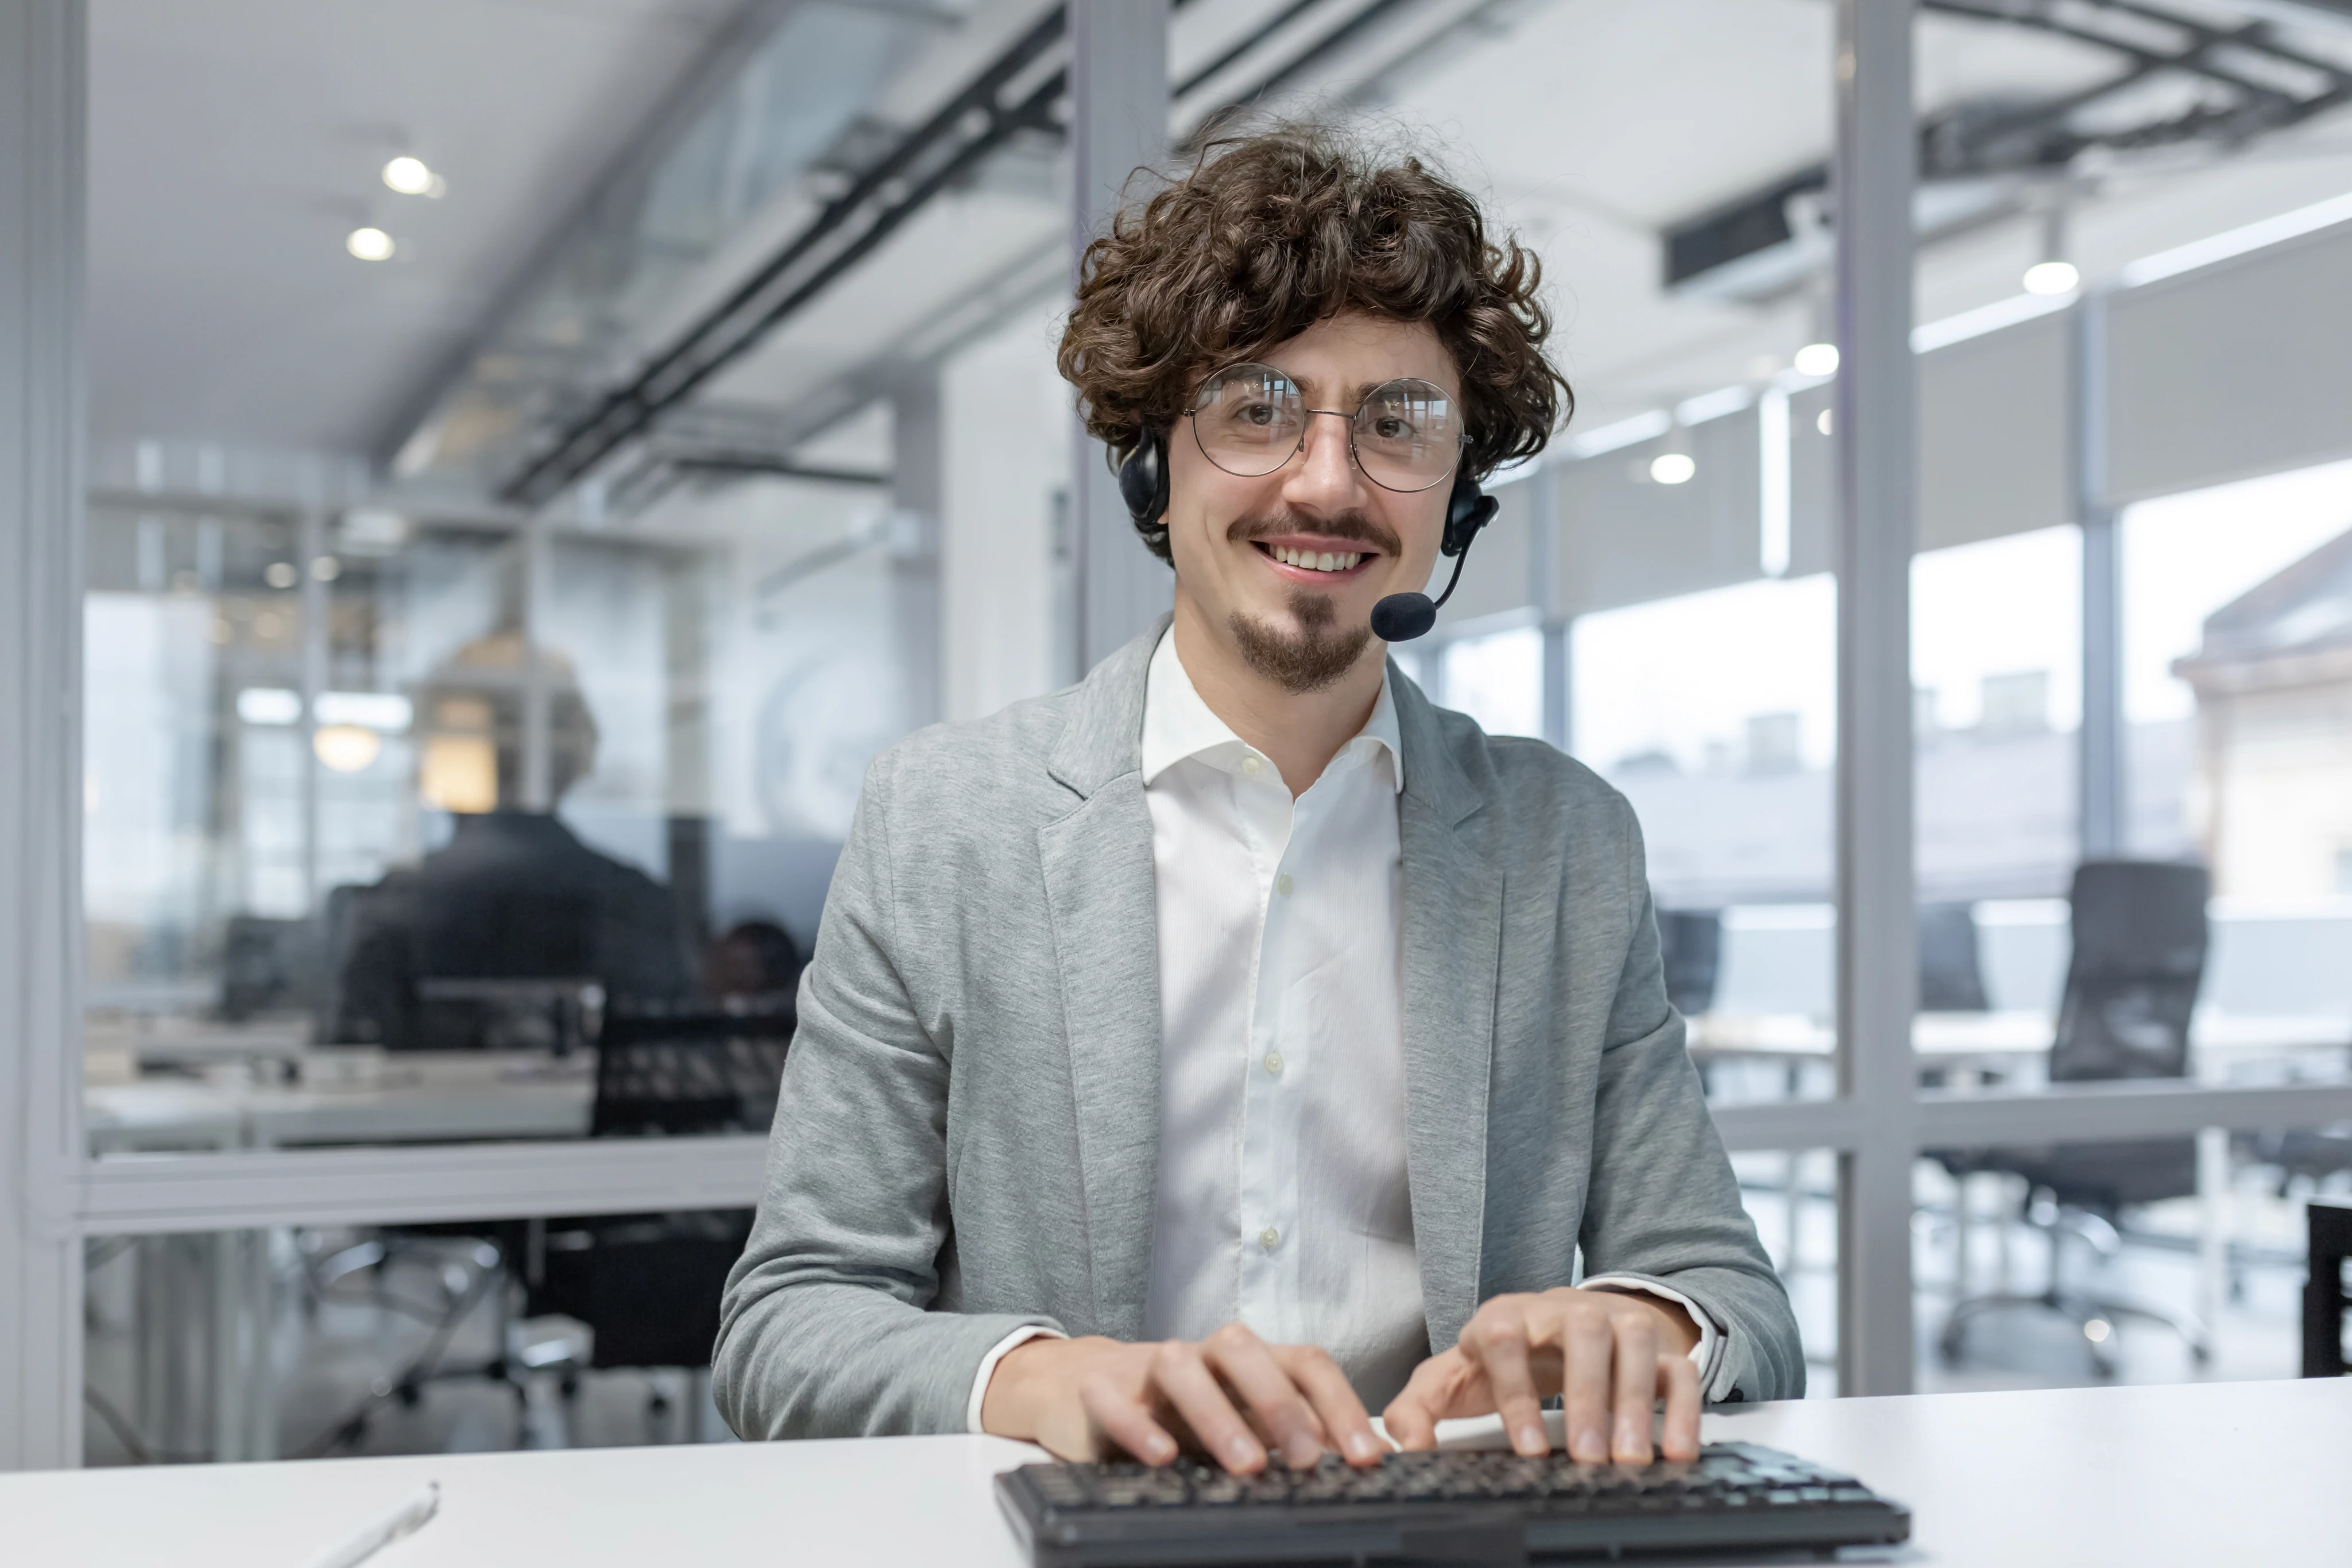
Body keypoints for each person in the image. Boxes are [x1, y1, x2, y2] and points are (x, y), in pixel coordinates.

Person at [714, 123, 1801, 1474]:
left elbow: (1735, 1298)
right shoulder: (947, 821)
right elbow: (785, 1328)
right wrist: (1052, 1380)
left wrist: (1643, 1320)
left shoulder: (1563, 840)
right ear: (1152, 466)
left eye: (1398, 424)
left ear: (1455, 501)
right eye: (1256, 409)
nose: (1329, 482)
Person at [324, 633, 693, 1050]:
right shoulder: (637, 900)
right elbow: (673, 1058)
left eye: (427, 740)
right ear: (574, 755)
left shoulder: (396, 905)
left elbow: (348, 1061)